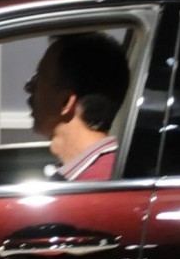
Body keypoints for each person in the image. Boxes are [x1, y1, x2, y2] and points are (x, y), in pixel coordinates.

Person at [26, 31, 127, 182]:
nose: (28, 87)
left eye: (38, 79)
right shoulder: (98, 173)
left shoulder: (98, 185)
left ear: (66, 102)